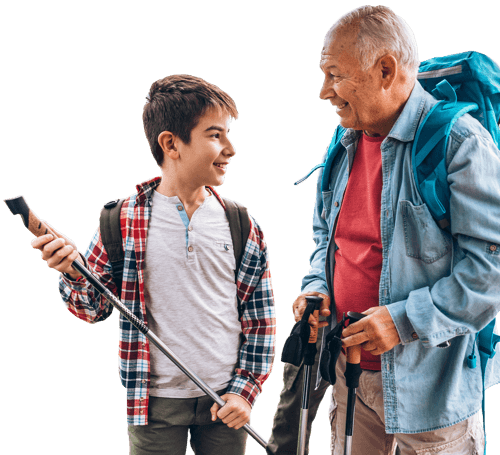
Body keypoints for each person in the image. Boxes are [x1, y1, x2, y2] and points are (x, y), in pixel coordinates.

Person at [268, 5, 500, 455]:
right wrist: (318, 287)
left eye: (334, 74)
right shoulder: (345, 141)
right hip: (350, 380)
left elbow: (491, 274)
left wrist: (403, 322)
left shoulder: (460, 145)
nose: (324, 91)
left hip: (430, 401)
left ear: (386, 70)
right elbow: (326, 239)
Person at [30, 74, 276, 455]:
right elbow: (90, 310)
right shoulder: (121, 220)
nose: (230, 148)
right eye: (215, 135)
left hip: (227, 403)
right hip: (154, 404)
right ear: (171, 143)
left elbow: (260, 320)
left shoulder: (242, 224)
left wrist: (245, 393)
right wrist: (71, 269)